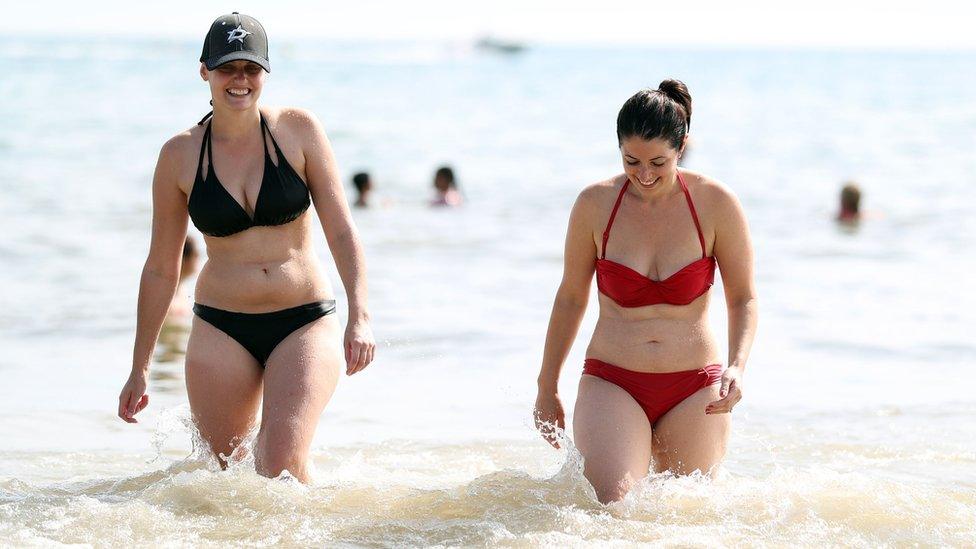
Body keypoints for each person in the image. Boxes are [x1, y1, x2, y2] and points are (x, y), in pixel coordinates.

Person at [117, 12, 375, 483]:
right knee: (223, 483)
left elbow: (341, 230)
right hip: (221, 328)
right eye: (227, 68)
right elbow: (160, 268)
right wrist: (140, 368)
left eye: (251, 68)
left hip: (303, 320)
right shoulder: (179, 155)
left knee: (279, 468)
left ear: (265, 72)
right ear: (205, 72)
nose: (240, 80)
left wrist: (360, 314)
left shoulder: (298, 130)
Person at [533, 80, 757, 503]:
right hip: (613, 379)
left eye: (659, 161)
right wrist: (547, 386)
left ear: (682, 145)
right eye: (631, 161)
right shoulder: (595, 204)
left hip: (696, 386)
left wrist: (738, 366)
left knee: (686, 513)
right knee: (611, 510)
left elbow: (743, 297)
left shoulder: (716, 203)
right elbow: (570, 298)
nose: (646, 175)